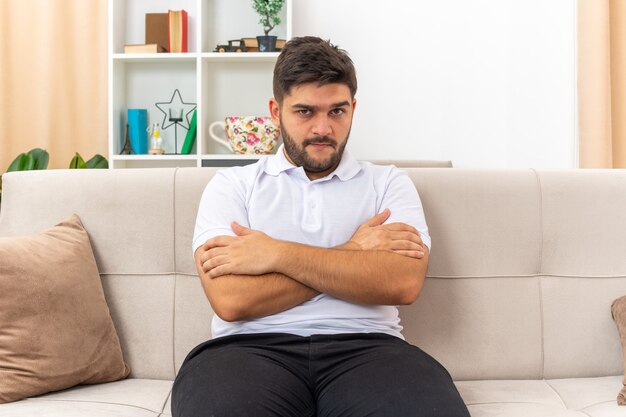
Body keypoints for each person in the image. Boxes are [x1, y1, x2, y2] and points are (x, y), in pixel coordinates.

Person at [172, 36, 470, 417]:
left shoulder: (388, 184)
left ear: (353, 109)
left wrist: (276, 253)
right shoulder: (233, 186)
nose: (322, 128)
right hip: (247, 350)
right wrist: (354, 253)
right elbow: (232, 301)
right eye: (305, 112)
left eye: (337, 111)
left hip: (370, 349)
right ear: (275, 110)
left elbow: (402, 283)